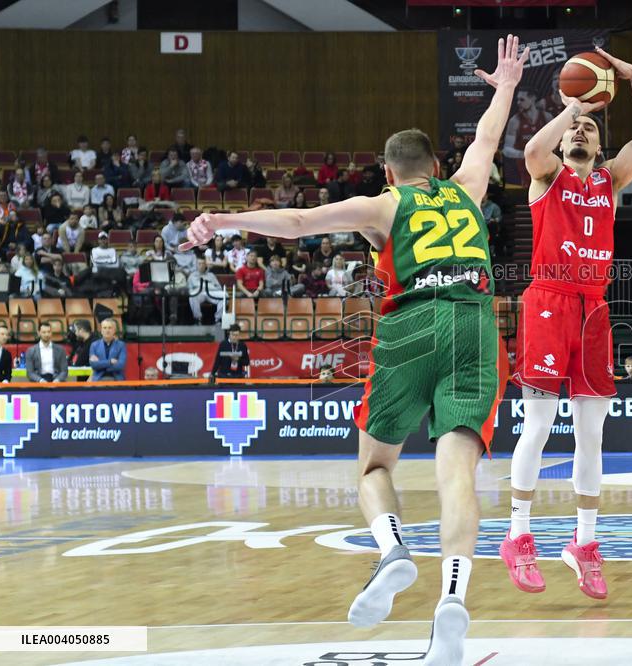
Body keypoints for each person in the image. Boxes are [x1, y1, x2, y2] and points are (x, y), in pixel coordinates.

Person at [179, 35, 526, 664]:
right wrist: (503, 85)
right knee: (458, 477)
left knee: (375, 468)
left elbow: (298, 223)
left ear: (389, 171)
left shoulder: (382, 204)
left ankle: (393, 553)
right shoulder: (469, 185)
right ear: (436, 168)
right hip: (477, 323)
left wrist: (222, 222)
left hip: (411, 324)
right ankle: (454, 597)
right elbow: (485, 138)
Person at [503, 47, 632, 600]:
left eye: (592, 128)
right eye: (577, 129)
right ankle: (519, 536)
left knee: (592, 434)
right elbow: (532, 148)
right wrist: (572, 107)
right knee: (539, 427)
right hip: (547, 301)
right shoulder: (548, 177)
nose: (582, 133)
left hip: (594, 307)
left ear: (599, 145)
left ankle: (584, 544)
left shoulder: (609, 184)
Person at [502, 89, 552, 187]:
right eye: (517, 100)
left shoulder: (547, 117)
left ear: (532, 99)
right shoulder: (515, 121)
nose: (518, 103)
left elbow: (557, 142)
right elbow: (506, 149)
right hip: (523, 168)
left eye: (522, 100)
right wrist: (526, 154)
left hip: (545, 166)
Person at [188, 257, 224, 323]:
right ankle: (198, 318)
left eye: (203, 263)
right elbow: (189, 289)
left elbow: (219, 288)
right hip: (199, 293)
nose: (201, 265)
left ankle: (218, 319)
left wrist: (211, 288)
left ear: (205, 265)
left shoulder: (211, 275)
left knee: (224, 296)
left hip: (211, 293)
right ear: (196, 265)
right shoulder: (192, 275)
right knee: (192, 297)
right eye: (199, 264)